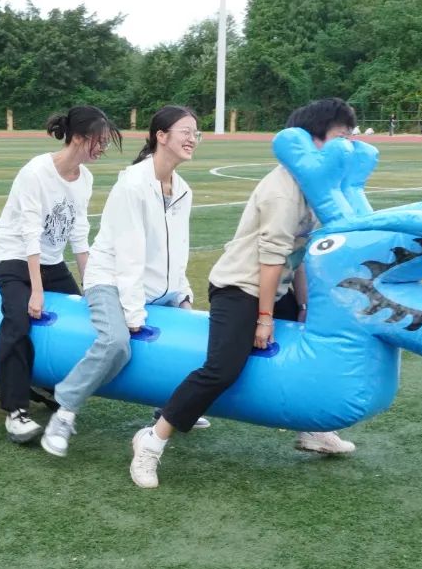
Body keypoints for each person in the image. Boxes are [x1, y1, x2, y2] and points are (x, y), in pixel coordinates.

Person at [129, 98, 359, 489]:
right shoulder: (282, 190)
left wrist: (303, 305)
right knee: (223, 368)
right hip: (239, 287)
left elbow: (299, 253)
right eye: (340, 136)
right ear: (310, 140)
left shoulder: (316, 188)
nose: (348, 146)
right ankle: (152, 440)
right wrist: (265, 318)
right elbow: (271, 258)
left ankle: (311, 429)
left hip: (276, 285)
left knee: (309, 346)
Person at [40, 105, 199, 457]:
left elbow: (179, 248)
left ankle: (170, 407)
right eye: (186, 132)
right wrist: (133, 312)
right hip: (110, 280)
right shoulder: (133, 184)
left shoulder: (183, 189)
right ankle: (64, 411)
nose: (192, 139)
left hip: (155, 287)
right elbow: (128, 255)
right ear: (161, 136)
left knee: (191, 338)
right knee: (116, 343)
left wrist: (182, 294)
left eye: (195, 133)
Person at [0, 105, 120, 443]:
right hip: (15, 256)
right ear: (78, 137)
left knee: (81, 315)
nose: (103, 148)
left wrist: (93, 286)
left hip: (50, 260)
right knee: (18, 320)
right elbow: (29, 232)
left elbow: (79, 234)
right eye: (99, 141)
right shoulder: (36, 172)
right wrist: (36, 290)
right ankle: (15, 411)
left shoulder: (85, 179)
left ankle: (46, 383)